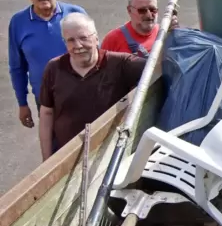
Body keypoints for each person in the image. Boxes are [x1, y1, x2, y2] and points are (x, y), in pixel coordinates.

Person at [38, 13, 146, 160]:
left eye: (83, 38)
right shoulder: (54, 68)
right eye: (70, 40)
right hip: (66, 157)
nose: (78, 45)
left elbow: (156, 65)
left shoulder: (121, 64)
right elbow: (46, 114)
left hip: (107, 156)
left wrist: (171, 33)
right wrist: (47, 159)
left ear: (96, 38)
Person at [8, 0, 87, 129]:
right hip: (46, 102)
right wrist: (22, 104)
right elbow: (17, 68)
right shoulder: (18, 22)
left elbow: (96, 56)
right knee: (55, 148)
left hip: (83, 95)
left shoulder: (76, 14)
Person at [100, 0, 178, 57]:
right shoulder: (112, 40)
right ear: (129, 10)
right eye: (142, 10)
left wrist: (175, 35)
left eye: (152, 9)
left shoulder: (165, 33)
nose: (148, 15)